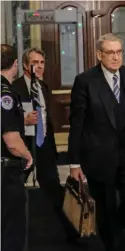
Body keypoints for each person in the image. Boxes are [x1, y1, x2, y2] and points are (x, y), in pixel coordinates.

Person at [68, 33, 125, 251]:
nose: (116, 57)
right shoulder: (85, 81)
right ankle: (115, 245)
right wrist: (74, 163)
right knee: (106, 207)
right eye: (110, 53)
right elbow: (77, 124)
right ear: (100, 55)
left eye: (119, 52)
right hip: (99, 158)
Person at [12, 47, 79, 243]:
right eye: (35, 63)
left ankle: (72, 234)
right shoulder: (15, 88)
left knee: (55, 192)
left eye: (42, 63)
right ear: (25, 65)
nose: (39, 67)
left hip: (44, 148)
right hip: (22, 149)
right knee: (13, 193)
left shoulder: (43, 87)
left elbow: (45, 118)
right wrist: (22, 120)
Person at [1, 44, 33, 251]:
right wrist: (28, 155)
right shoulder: (6, 94)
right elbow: (11, 140)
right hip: (6, 171)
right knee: (12, 228)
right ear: (15, 65)